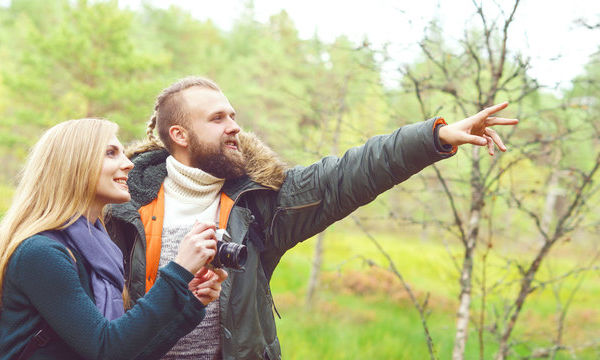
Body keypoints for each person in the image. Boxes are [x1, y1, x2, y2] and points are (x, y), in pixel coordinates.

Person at [105, 76, 518, 360]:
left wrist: (435, 137)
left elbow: (350, 173)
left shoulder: (263, 202)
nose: (234, 127)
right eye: (217, 119)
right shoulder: (121, 204)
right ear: (179, 135)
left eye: (233, 115)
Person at [0, 118, 227, 359]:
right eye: (111, 153)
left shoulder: (101, 251)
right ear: (74, 165)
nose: (128, 163)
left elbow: (129, 351)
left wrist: (190, 303)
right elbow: (106, 349)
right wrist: (178, 271)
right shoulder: (40, 252)